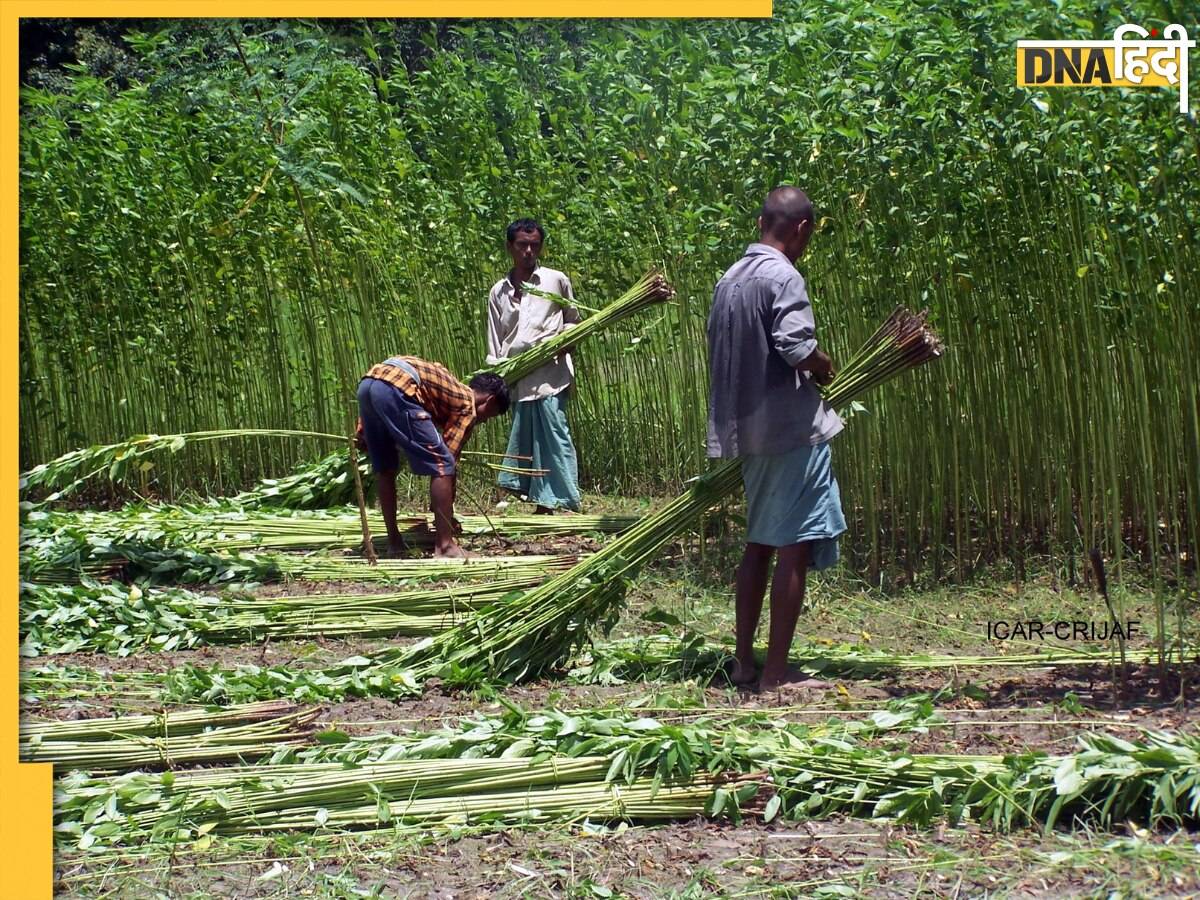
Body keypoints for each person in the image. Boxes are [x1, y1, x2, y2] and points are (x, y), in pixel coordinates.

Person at [706, 186, 847, 692]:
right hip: (790, 432)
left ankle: (744, 662)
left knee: (758, 545)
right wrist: (823, 363)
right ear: (802, 229)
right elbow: (794, 344)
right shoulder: (783, 276)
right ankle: (776, 674)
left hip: (749, 433)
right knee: (793, 549)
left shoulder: (730, 279)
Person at [356, 355, 510, 559]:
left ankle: (395, 543)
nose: (483, 420)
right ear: (489, 401)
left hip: (369, 384)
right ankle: (445, 546)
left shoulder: (448, 385)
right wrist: (446, 517)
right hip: (397, 386)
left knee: (386, 468)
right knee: (443, 464)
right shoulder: (467, 405)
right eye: (489, 415)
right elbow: (447, 464)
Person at [485, 218, 582, 513]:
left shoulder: (555, 280)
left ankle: (563, 500)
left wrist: (566, 340)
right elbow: (495, 339)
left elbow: (573, 320)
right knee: (526, 438)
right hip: (519, 376)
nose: (528, 251)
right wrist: (499, 374)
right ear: (509, 247)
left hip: (551, 373)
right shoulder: (498, 292)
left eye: (534, 245)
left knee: (554, 432)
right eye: (522, 245)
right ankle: (539, 500)